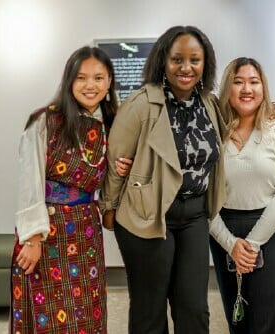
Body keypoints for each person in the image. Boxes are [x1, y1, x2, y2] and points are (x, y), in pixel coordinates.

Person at [100, 26, 225, 334]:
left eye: (194, 59)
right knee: (149, 308)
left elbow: (235, 131)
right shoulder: (141, 104)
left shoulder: (209, 102)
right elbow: (117, 161)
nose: (186, 67)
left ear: (204, 64)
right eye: (177, 59)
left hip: (194, 215)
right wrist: (109, 208)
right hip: (149, 214)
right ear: (162, 61)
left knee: (194, 307)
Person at [11, 46, 118, 333]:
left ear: (109, 82)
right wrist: (32, 238)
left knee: (88, 315)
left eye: (99, 77)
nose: (90, 85)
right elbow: (28, 181)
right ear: (69, 80)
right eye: (82, 77)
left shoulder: (112, 125)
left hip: (86, 231)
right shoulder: (45, 120)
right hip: (47, 232)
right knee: (48, 315)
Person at [209, 57, 275, 333]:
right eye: (238, 82)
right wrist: (230, 244)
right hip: (224, 231)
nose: (246, 89)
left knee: (268, 321)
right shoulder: (213, 134)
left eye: (253, 81)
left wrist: (250, 245)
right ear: (228, 89)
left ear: (263, 88)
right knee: (238, 319)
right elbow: (204, 195)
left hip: (274, 232)